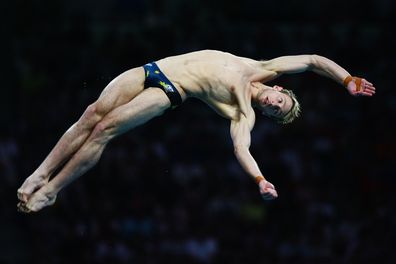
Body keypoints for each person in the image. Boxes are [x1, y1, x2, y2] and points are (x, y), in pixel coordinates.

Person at [17, 49, 376, 213]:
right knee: (91, 114)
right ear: (280, 89)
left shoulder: (243, 114)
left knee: (105, 130)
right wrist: (347, 78)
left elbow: (242, 150)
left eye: (273, 112)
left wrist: (259, 180)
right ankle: (39, 174)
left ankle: (52, 191)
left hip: (170, 92)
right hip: (154, 68)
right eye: (278, 102)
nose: (270, 105)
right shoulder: (263, 67)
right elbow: (313, 61)